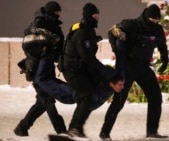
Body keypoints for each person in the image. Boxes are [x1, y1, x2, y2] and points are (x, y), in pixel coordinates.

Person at [99, 4, 169, 140]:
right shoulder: (131, 24)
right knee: (119, 101)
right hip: (127, 67)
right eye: (152, 20)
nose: (154, 22)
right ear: (146, 17)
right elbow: (112, 31)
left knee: (155, 97)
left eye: (157, 20)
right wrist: (117, 50)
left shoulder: (157, 29)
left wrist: (165, 60)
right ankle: (105, 132)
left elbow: (162, 45)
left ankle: (152, 132)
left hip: (143, 67)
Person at [60, 3, 119, 139]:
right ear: (88, 16)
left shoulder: (88, 31)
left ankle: (76, 127)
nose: (97, 18)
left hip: (80, 68)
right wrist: (103, 70)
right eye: (94, 15)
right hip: (72, 70)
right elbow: (87, 57)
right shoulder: (82, 33)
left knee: (90, 94)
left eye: (98, 15)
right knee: (85, 96)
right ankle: (75, 128)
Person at [14, 1, 67, 136]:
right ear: (50, 12)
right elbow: (29, 46)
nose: (58, 15)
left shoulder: (55, 27)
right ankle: (61, 131)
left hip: (47, 68)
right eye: (56, 12)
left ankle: (22, 127)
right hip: (37, 69)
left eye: (59, 13)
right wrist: (44, 50)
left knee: (42, 102)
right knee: (48, 100)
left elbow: (58, 48)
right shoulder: (37, 25)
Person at [34, 55, 124, 110]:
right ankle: (45, 57)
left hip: (73, 96)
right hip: (72, 92)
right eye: (120, 84)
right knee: (42, 80)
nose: (122, 87)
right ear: (112, 83)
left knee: (49, 91)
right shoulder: (103, 83)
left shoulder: (110, 87)